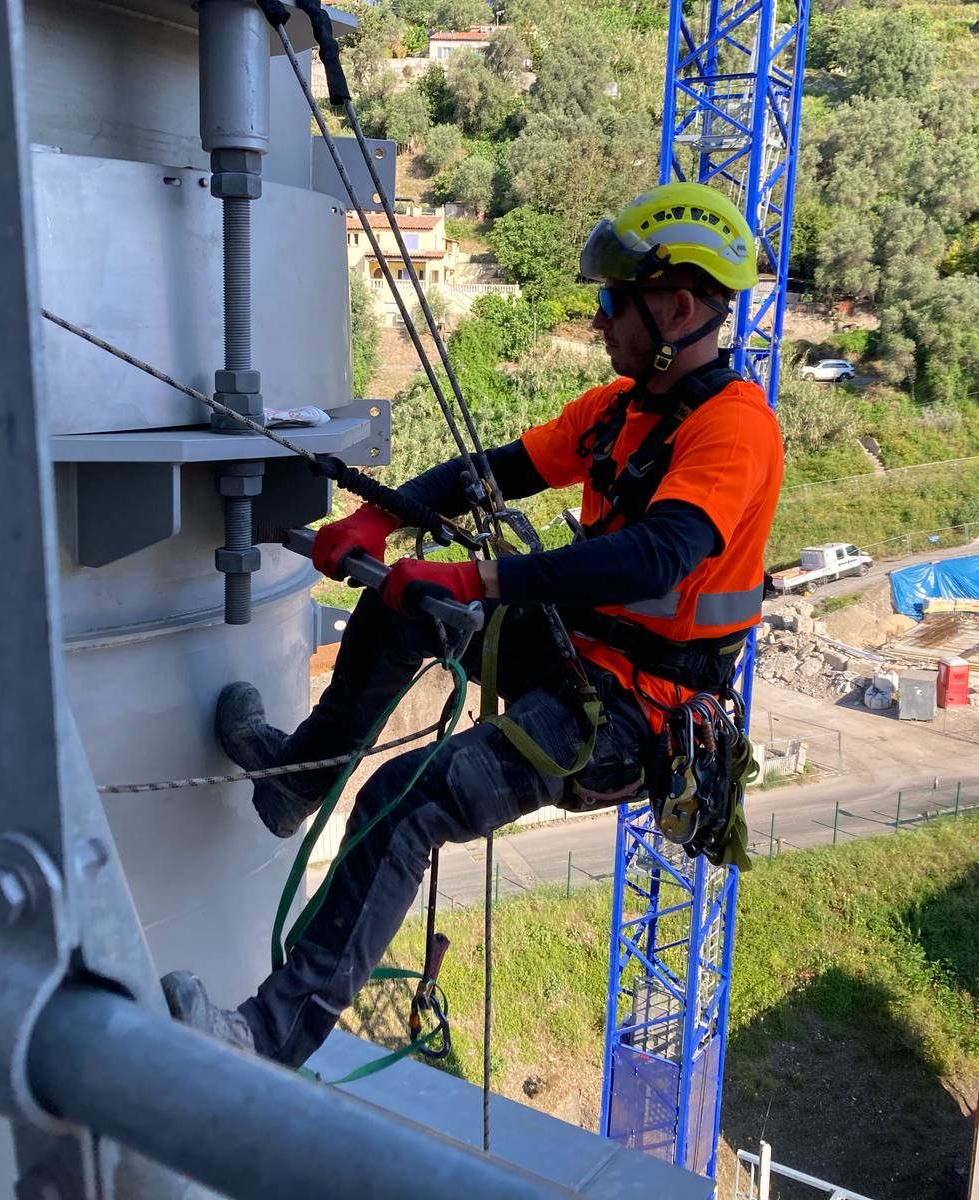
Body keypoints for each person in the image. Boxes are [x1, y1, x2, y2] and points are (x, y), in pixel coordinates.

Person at [161, 182, 785, 1068]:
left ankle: (264, 1041)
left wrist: (475, 572)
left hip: (631, 716)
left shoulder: (735, 431)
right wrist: (385, 519)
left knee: (406, 801)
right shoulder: (620, 413)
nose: (600, 319)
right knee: (400, 603)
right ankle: (301, 777)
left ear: (678, 308)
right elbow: (491, 472)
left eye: (613, 302)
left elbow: (656, 556)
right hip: (577, 655)